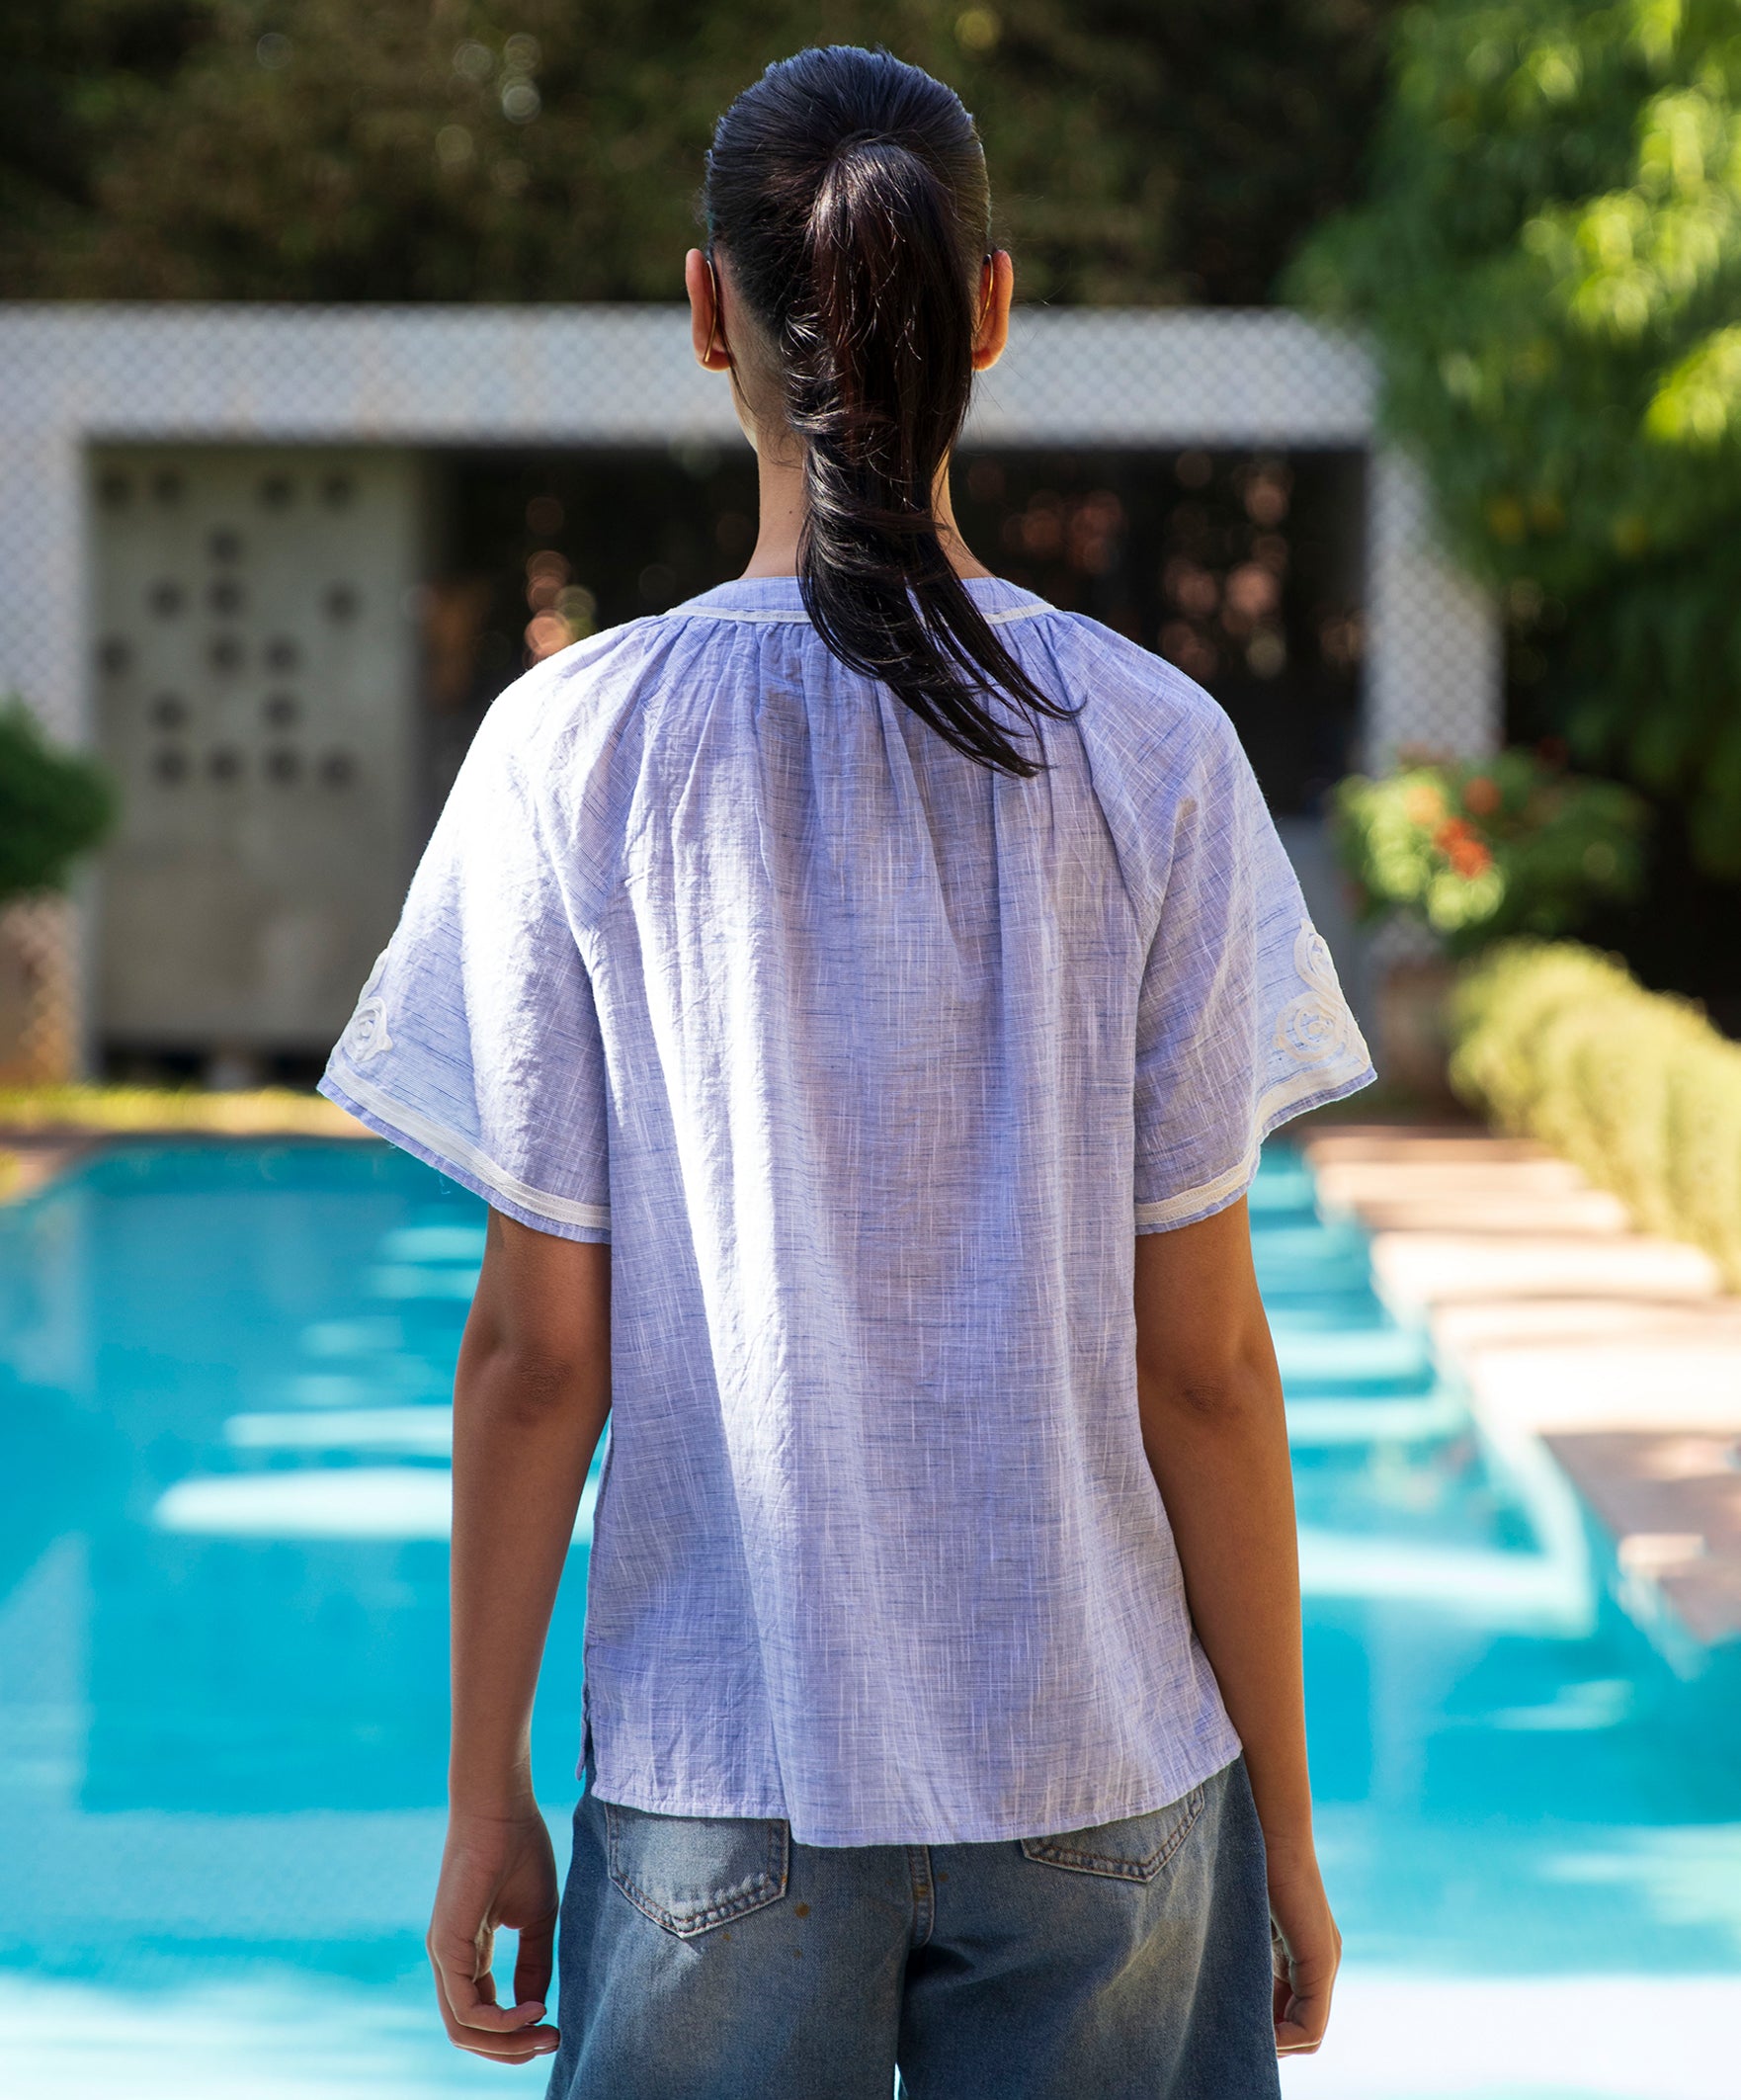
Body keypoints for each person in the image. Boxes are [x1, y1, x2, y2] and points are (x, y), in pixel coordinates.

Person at [320, 42, 1373, 2100]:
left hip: (725, 1764)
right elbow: (1206, 1370)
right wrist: (1293, 1836)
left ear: (702, 310)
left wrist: (481, 1794)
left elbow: (537, 1357)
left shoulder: (579, 746)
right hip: (1104, 1761)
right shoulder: (1151, 751)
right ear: (988, 309)